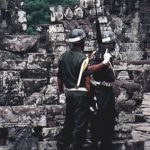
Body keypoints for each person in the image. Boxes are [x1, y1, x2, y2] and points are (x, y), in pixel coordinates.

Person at [56, 28, 112, 150]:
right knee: (80, 123)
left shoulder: (63, 57)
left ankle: (62, 143)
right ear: (82, 42)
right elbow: (88, 73)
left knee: (69, 120)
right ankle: (76, 146)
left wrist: (61, 92)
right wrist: (104, 63)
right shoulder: (83, 59)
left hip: (69, 93)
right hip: (80, 94)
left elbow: (59, 78)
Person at [89, 31, 116, 150]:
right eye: (111, 43)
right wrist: (103, 62)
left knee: (110, 119)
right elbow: (91, 70)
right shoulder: (98, 55)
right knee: (99, 118)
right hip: (100, 91)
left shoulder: (107, 54)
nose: (113, 45)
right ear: (107, 44)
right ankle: (96, 143)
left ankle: (107, 144)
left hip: (108, 91)